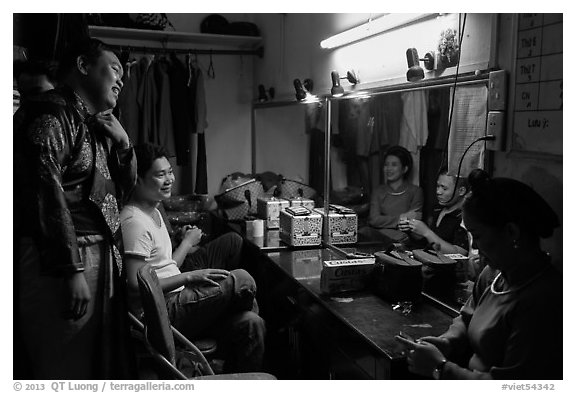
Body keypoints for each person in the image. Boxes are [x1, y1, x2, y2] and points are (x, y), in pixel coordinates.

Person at [14, 38, 136, 379]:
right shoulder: (50, 113)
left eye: (123, 76)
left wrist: (124, 143)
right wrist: (71, 270)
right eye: (113, 69)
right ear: (83, 66)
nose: (120, 81)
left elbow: (120, 192)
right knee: (63, 363)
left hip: (97, 255)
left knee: (95, 362)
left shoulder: (93, 122)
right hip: (65, 260)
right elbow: (45, 191)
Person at [396, 169, 562, 379]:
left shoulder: (543, 299)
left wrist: (440, 367)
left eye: (478, 236)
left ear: (512, 233)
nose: (477, 248)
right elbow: (467, 319)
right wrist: (447, 342)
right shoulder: (494, 275)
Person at [120, 143, 266, 373]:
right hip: (160, 312)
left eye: (170, 172)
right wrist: (189, 277)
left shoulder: (155, 211)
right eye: (160, 174)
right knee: (243, 279)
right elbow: (136, 284)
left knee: (252, 323)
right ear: (137, 179)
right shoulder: (134, 222)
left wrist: (186, 264)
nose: (169, 179)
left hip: (177, 299)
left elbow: (165, 266)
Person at [398, 170, 469, 297]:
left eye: (444, 188)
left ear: (461, 191)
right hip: (429, 267)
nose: (438, 192)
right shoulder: (438, 208)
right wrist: (411, 229)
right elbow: (428, 241)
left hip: (448, 278)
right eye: (437, 186)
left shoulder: (463, 217)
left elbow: (460, 253)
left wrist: (426, 231)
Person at [361, 145, 423, 243]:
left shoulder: (415, 191)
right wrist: (401, 218)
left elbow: (414, 220)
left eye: (394, 165)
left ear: (404, 169)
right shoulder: (378, 191)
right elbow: (374, 219)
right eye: (386, 164)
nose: (389, 168)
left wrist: (385, 221)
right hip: (378, 238)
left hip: (404, 240)